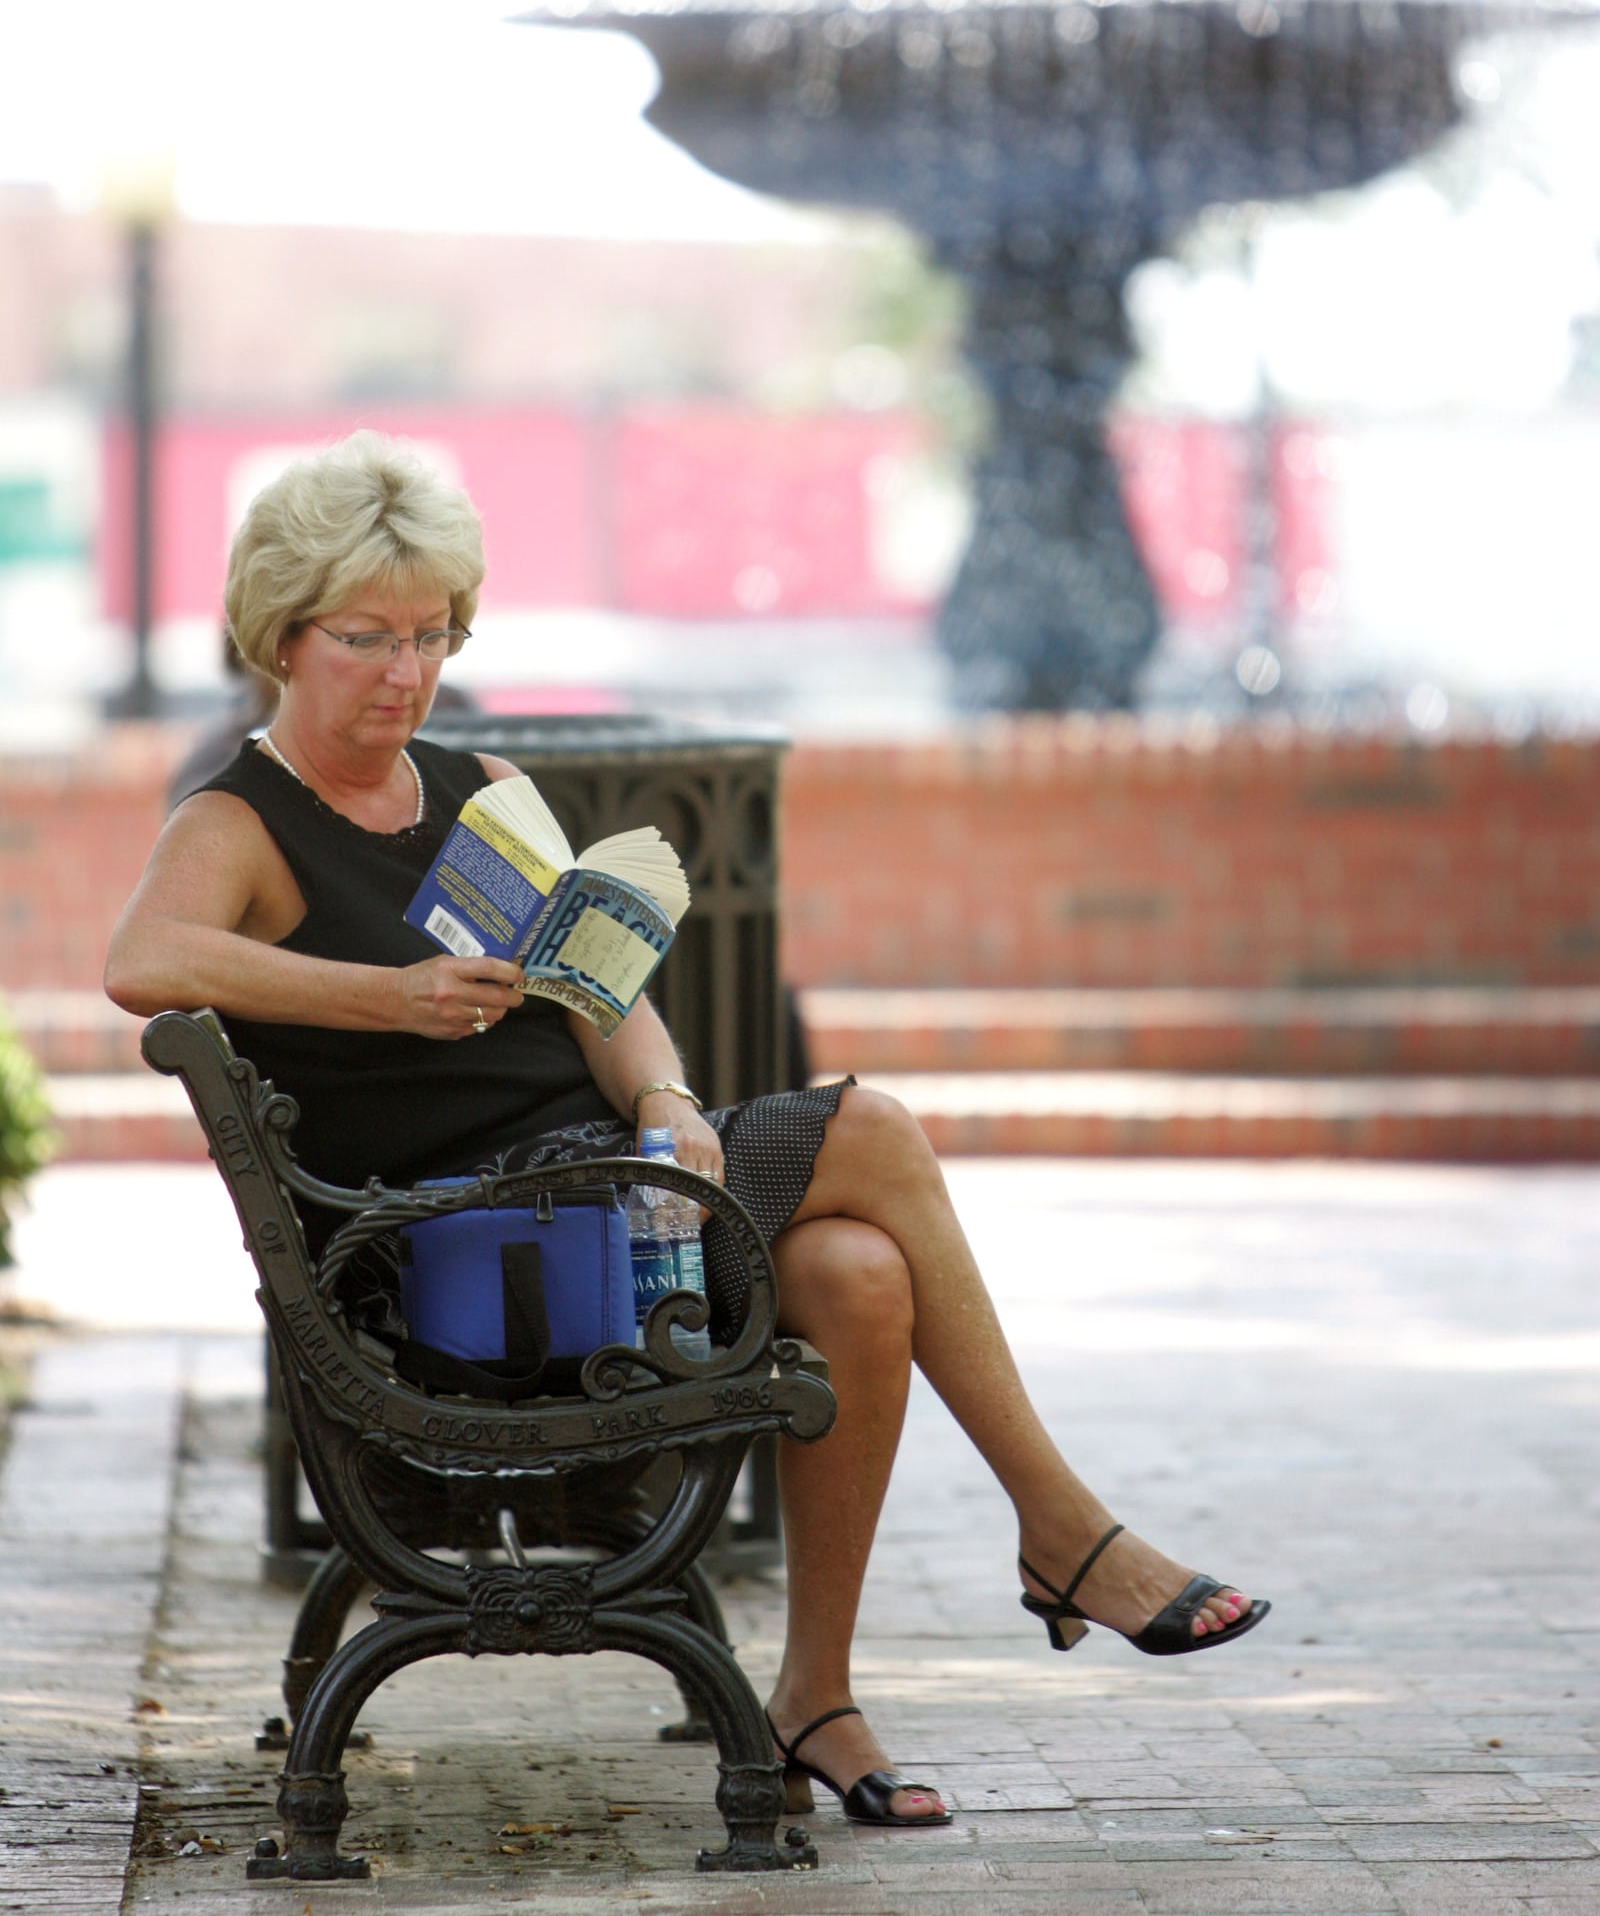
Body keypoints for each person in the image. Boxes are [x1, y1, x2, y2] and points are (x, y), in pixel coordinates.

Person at [105, 432, 1268, 1832]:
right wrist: (392, 997)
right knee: (877, 1132)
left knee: (858, 1272)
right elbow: (142, 960)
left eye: (430, 635)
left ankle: (814, 1697)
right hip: (472, 1245)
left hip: (604, 1192)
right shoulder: (241, 820)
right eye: (366, 638)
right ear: (281, 635)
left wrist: (662, 1096)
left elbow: (608, 996)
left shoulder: (472, 781)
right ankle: (1064, 1529)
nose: (406, 673)